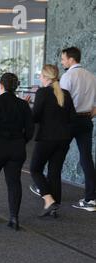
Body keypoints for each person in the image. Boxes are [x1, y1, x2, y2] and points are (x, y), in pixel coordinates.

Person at [0, 73, 34, 230]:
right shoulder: (23, 105)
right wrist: (21, 141)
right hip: (16, 149)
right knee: (14, 182)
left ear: (1, 86)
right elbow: (30, 130)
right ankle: (14, 218)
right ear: (16, 87)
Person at [30, 64, 76, 218]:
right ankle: (55, 207)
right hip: (64, 139)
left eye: (40, 76)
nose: (39, 78)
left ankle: (48, 200)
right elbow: (72, 118)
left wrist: (27, 105)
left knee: (35, 169)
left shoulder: (42, 92)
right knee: (54, 172)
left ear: (45, 77)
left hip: (47, 139)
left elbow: (35, 117)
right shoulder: (66, 94)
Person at [59, 47, 96, 211]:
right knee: (86, 159)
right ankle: (91, 199)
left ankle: (49, 191)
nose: (62, 61)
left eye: (63, 59)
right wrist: (90, 114)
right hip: (86, 120)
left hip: (69, 121)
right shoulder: (91, 76)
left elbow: (61, 104)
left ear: (71, 59)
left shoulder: (67, 76)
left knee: (57, 155)